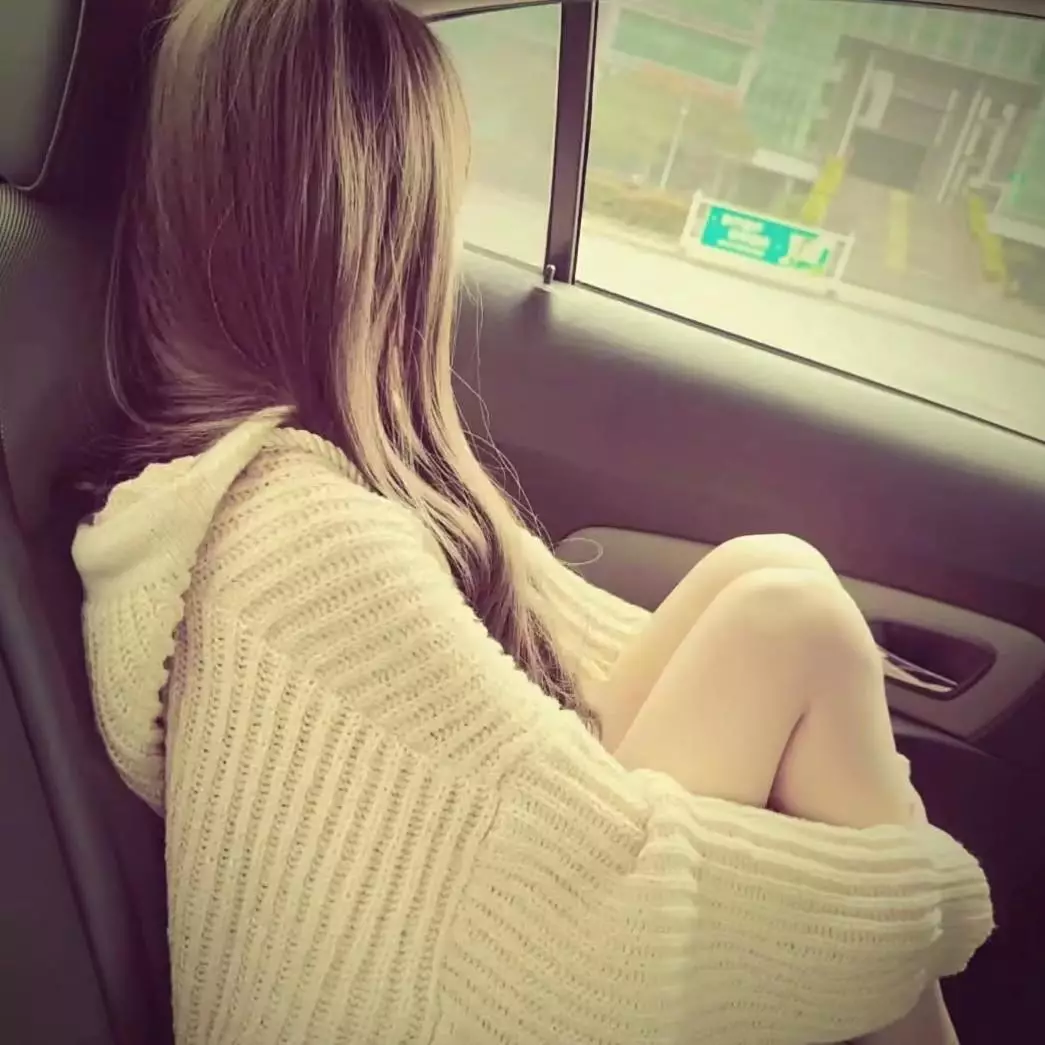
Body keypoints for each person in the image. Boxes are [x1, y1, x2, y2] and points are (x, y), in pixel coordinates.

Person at [71, 1, 992, 1043]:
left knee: (771, 583)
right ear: (384, 231)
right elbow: (582, 892)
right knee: (793, 624)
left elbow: (571, 668)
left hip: (453, 957)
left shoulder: (288, 497)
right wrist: (914, 894)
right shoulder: (300, 541)